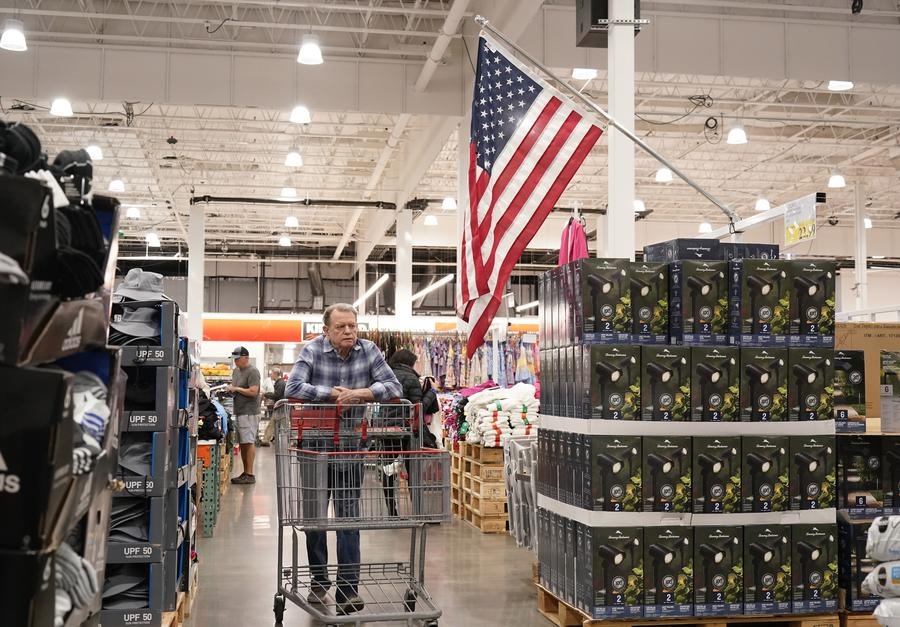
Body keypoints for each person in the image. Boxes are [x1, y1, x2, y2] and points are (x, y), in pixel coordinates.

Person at [286, 303, 401, 615]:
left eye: (352, 325)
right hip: (314, 446)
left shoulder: (370, 350)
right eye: (341, 327)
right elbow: (293, 386)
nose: (349, 331)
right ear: (327, 331)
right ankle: (320, 580)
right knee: (315, 520)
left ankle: (348, 590)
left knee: (349, 520)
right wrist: (334, 395)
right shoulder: (311, 351)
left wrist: (361, 393)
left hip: (351, 447)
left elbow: (393, 386)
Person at [382, 349, 423, 516]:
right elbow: (418, 407)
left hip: (385, 429)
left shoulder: (386, 376)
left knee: (387, 469)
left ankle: (392, 511)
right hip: (406, 430)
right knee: (413, 470)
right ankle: (417, 511)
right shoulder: (412, 378)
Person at [227, 346, 261, 485]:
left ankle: (250, 473)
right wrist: (230, 390)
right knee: (242, 443)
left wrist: (237, 389)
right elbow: (237, 388)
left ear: (246, 357)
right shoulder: (236, 371)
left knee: (249, 441)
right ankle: (245, 472)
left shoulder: (253, 371)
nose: (235, 362)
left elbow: (254, 391)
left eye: (237, 359)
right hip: (239, 410)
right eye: (234, 359)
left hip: (250, 411)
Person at [260, 368, 286, 446]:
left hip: (281, 407)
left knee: (278, 424)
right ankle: (266, 439)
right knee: (276, 424)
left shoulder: (280, 383)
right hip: (280, 407)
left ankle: (266, 440)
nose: (271, 375)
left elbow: (277, 395)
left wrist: (265, 394)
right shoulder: (279, 382)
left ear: (275, 374)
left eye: (272, 373)